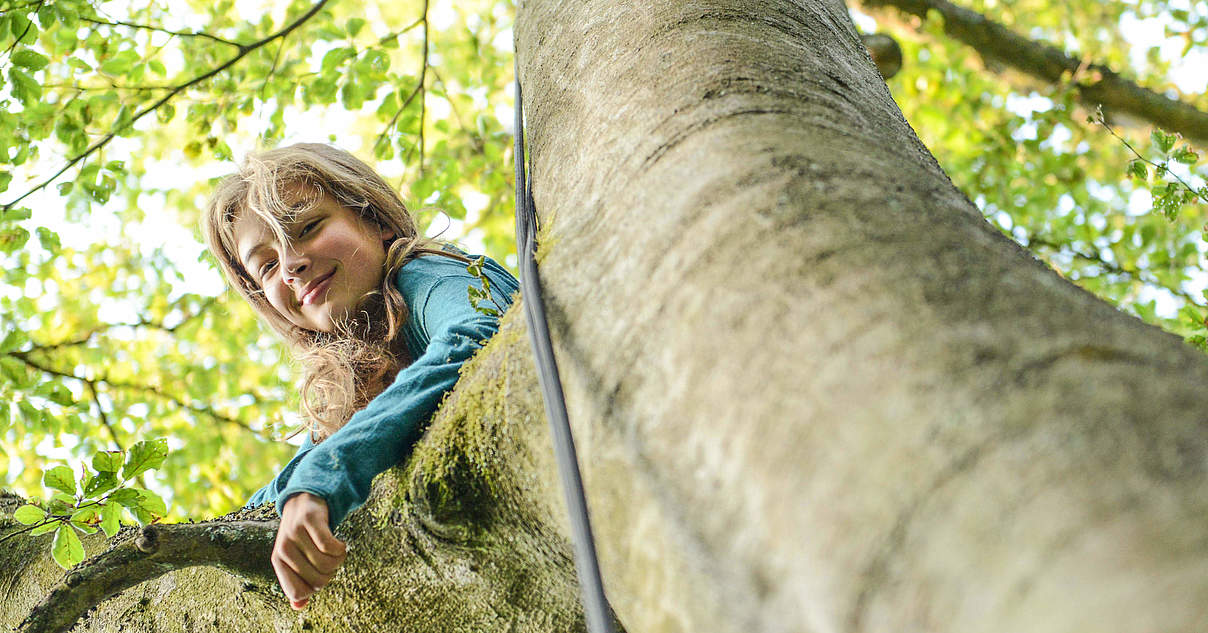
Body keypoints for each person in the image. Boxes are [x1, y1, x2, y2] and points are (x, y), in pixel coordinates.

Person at [202, 143, 517, 610]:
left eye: (308, 228)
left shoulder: (427, 272)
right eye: (266, 265)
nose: (291, 266)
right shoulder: (351, 388)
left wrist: (325, 475)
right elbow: (278, 493)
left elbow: (480, 332)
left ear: (376, 220)